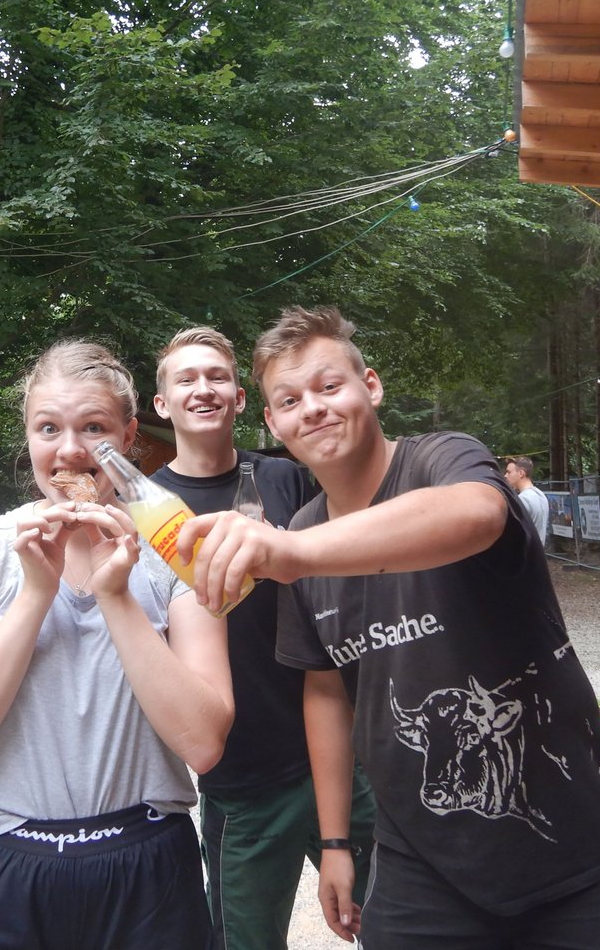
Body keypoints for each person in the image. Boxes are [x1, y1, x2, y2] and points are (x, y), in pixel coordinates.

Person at [178, 306, 600, 949]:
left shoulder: (443, 458)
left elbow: (477, 514)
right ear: (273, 422)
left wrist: (294, 555)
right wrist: (335, 842)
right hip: (417, 860)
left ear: (371, 386)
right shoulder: (301, 529)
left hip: (567, 835)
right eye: (291, 400)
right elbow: (326, 692)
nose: (314, 409)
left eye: (330, 386)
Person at [0, 339, 234, 950]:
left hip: (147, 858)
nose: (69, 451)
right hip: (3, 858)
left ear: (129, 435)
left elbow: (203, 744)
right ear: (28, 438)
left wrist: (117, 598)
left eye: (93, 428)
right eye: (48, 428)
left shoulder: (176, 548)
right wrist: (36, 593)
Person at [149, 326, 377, 950]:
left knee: (399, 921)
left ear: (241, 398)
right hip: (242, 778)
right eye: (186, 379)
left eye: (217, 377)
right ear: (162, 403)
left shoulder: (287, 477)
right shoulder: (146, 508)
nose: (204, 389)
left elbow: (346, 570)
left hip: (338, 750)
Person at [504, 455, 550, 544]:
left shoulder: (523, 499)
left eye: (509, 472)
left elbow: (514, 533)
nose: (505, 476)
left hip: (525, 551)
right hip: (539, 550)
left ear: (521, 473)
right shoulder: (541, 495)